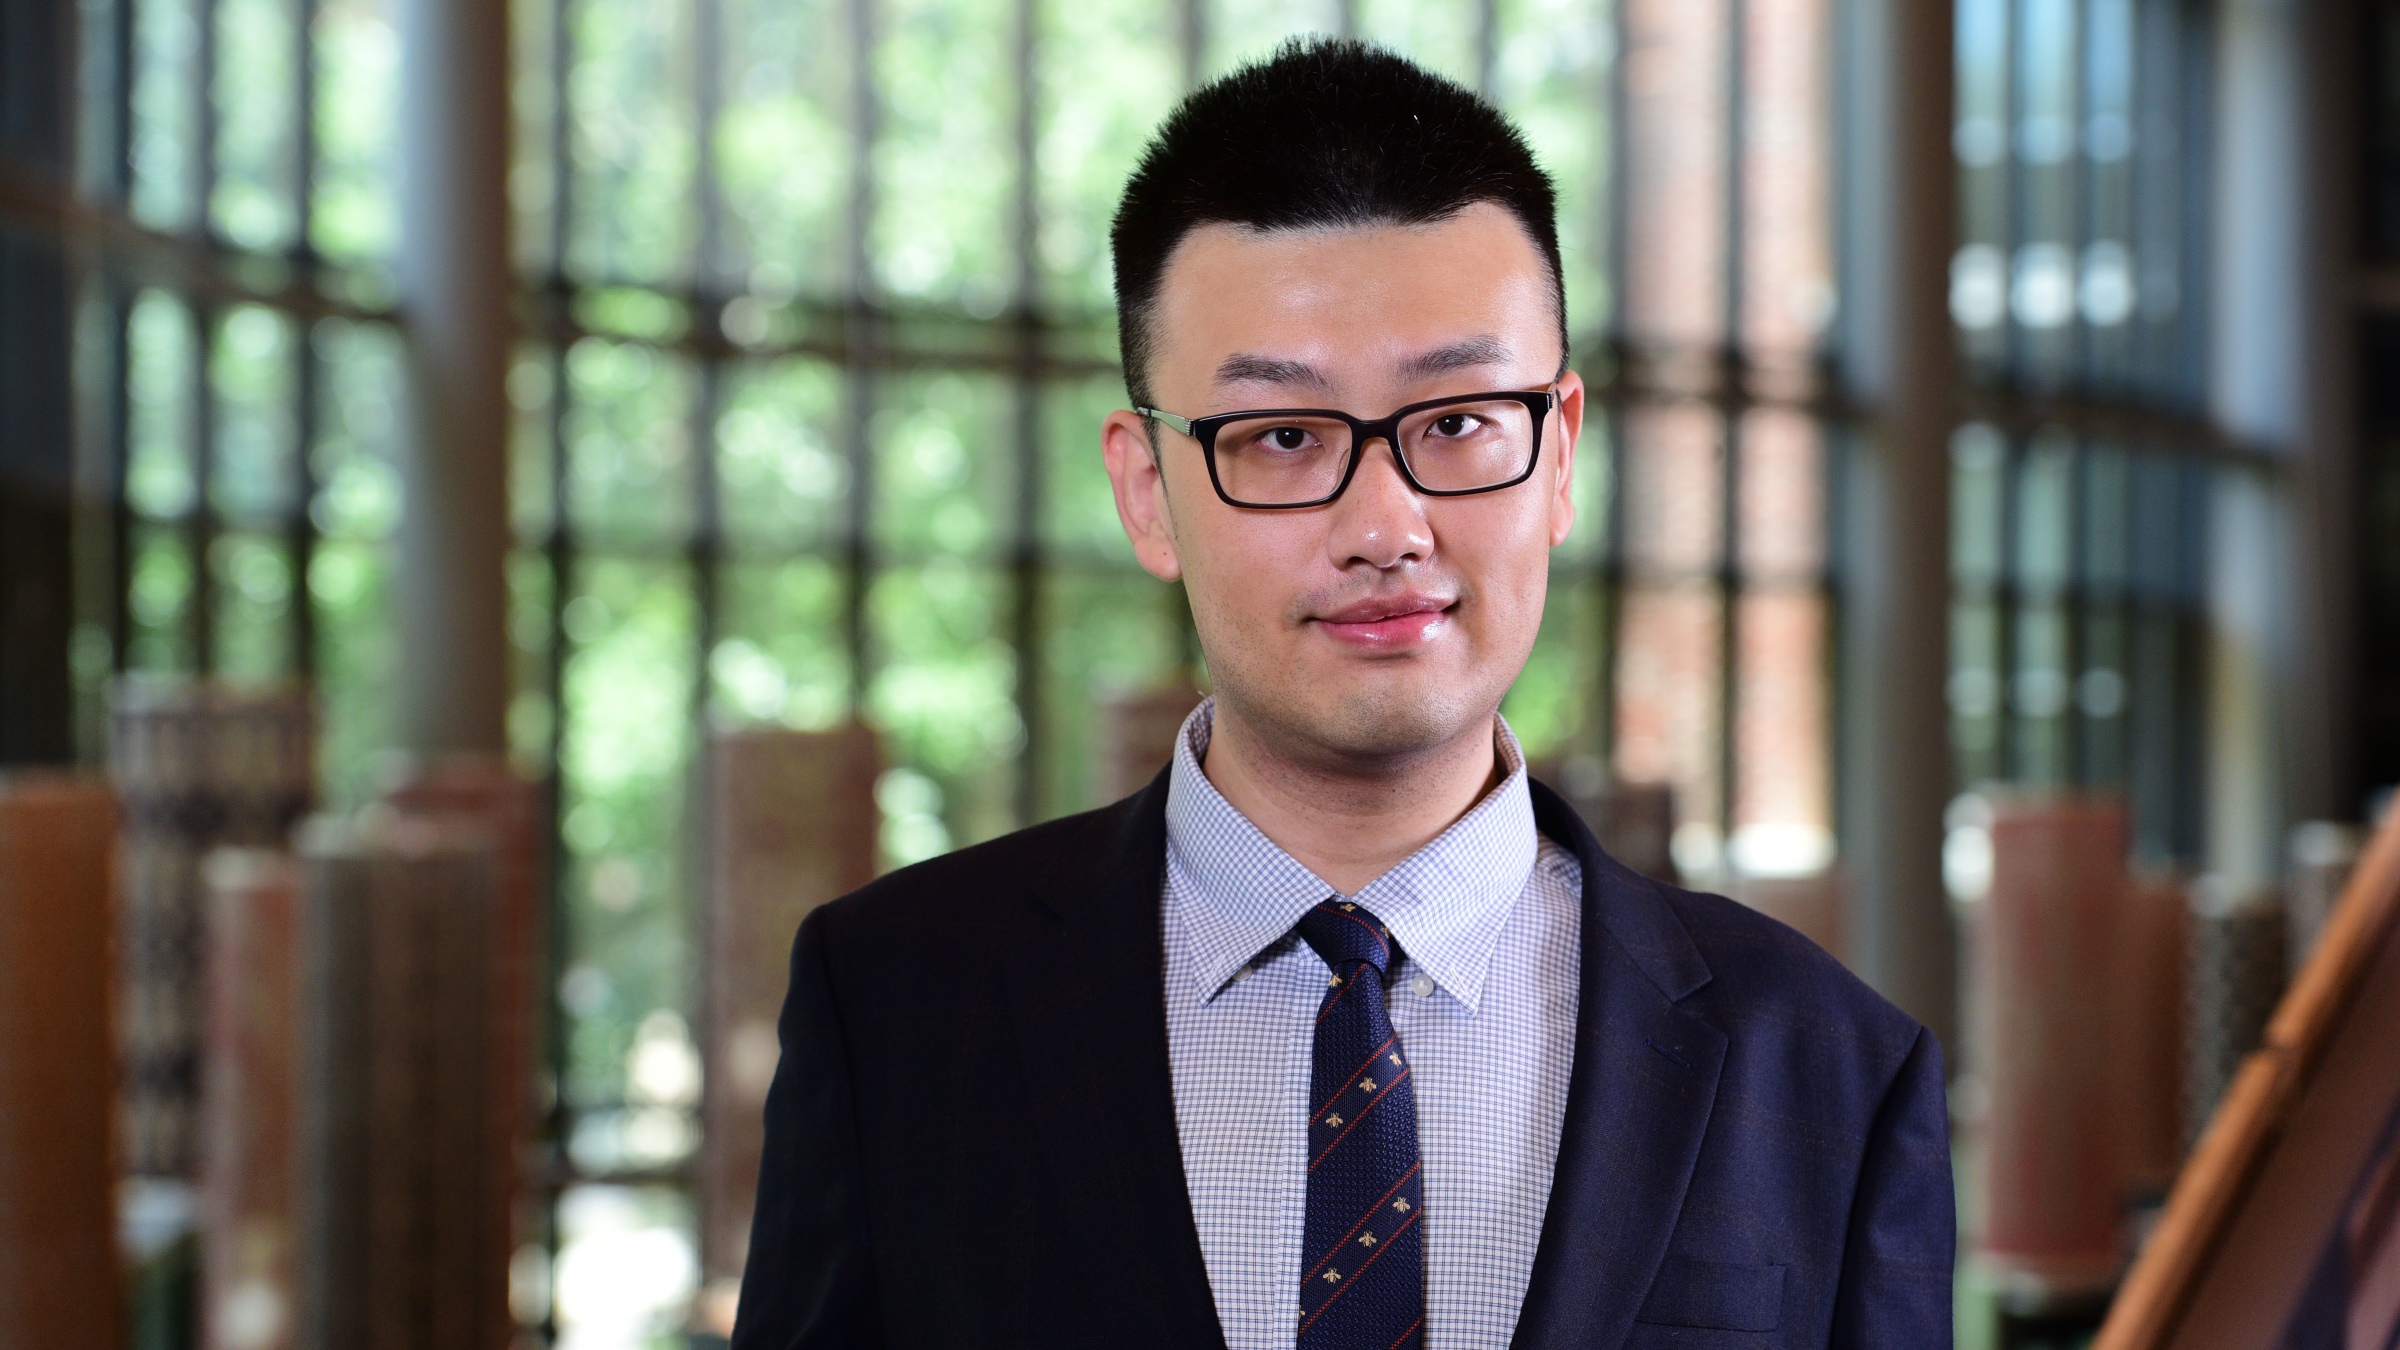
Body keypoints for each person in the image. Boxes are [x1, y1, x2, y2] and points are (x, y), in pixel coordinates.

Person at [732, 38, 1953, 1350]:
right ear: (1148, 489)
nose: (1387, 523)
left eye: (1459, 422)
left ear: (1560, 457)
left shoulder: (1829, 1068)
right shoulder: (902, 1009)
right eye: (1283, 436)